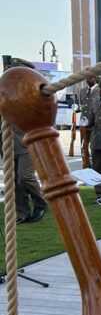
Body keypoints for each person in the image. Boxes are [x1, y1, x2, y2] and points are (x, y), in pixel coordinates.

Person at [0, 58, 47, 223]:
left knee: (25, 177)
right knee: (14, 182)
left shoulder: (34, 93)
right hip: (9, 144)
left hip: (28, 143)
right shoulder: (5, 92)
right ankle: (22, 213)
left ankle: (41, 202)